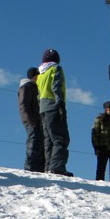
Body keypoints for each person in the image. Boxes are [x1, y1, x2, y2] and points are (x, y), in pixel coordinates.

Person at [37, 48, 72, 176]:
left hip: (43, 108)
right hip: (54, 106)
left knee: (48, 140)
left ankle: (48, 167)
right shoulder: (56, 68)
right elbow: (56, 86)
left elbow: (38, 93)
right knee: (60, 138)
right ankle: (57, 167)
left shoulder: (40, 74)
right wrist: (60, 104)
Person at [18, 67, 45, 172]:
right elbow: (23, 105)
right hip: (32, 121)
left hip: (37, 120)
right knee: (33, 143)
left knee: (39, 143)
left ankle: (39, 168)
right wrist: (30, 121)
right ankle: (30, 168)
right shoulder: (27, 86)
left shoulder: (35, 87)